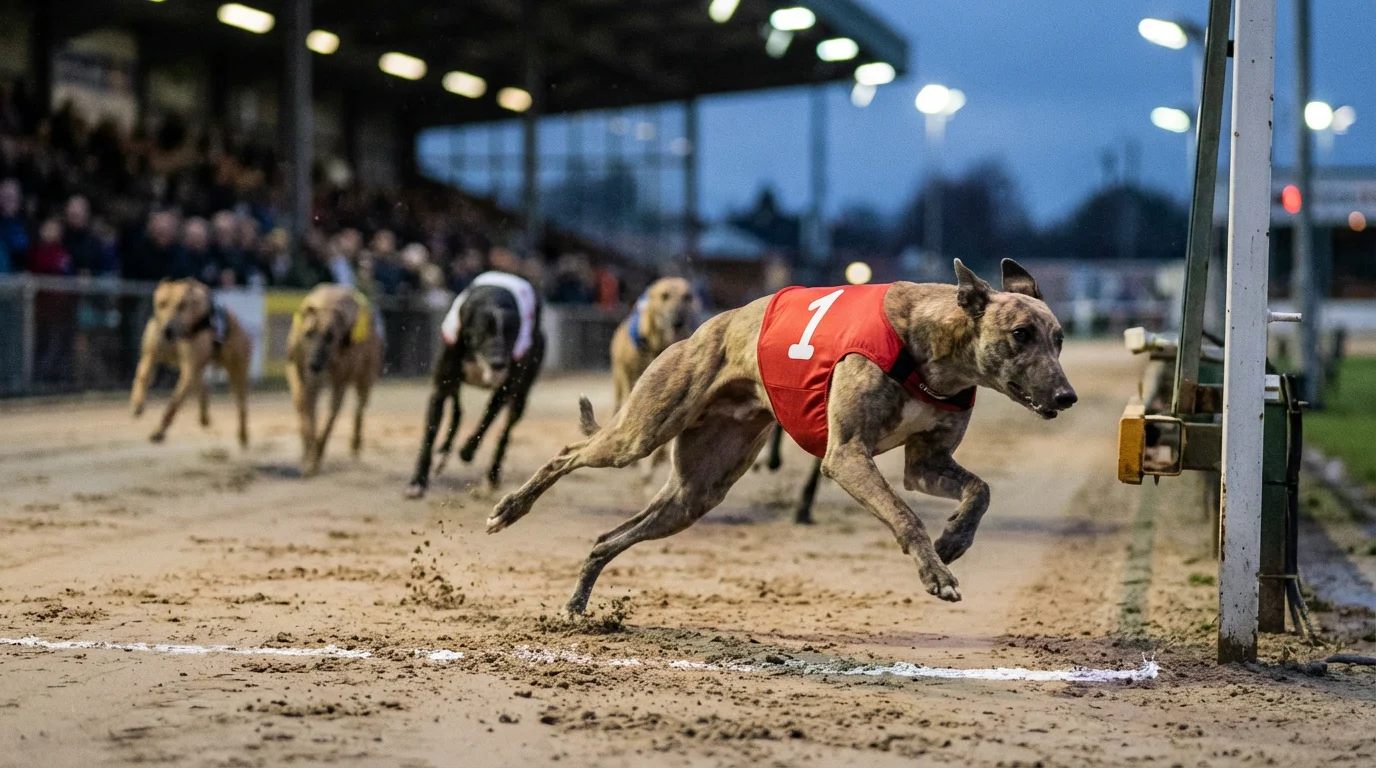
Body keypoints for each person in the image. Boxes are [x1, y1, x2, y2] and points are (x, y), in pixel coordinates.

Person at [124, 211, 190, 281]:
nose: (164, 232)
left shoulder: (182, 253)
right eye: (159, 229)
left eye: (167, 228)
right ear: (149, 228)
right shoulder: (136, 251)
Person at [61, 195, 103, 276]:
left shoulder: (95, 243)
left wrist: (91, 274)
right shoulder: (59, 238)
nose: (75, 213)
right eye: (72, 213)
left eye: (78, 213)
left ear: (87, 214)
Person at [0, 178, 28, 272]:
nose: (8, 201)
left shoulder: (29, 223)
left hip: (21, 277)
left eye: (12, 197)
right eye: (5, 197)